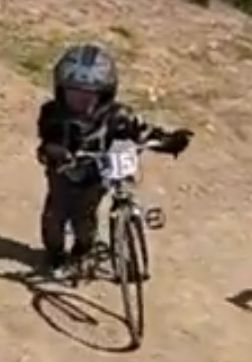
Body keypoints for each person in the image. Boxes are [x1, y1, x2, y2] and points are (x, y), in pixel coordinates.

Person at [35, 43, 193, 274]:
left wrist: (168, 141)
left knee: (84, 220)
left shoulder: (118, 115)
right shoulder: (52, 114)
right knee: (54, 219)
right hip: (63, 175)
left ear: (105, 95)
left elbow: (142, 132)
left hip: (96, 176)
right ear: (61, 91)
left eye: (88, 95)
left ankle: (82, 252)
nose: (80, 100)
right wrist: (55, 152)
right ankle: (55, 256)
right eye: (73, 93)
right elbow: (46, 141)